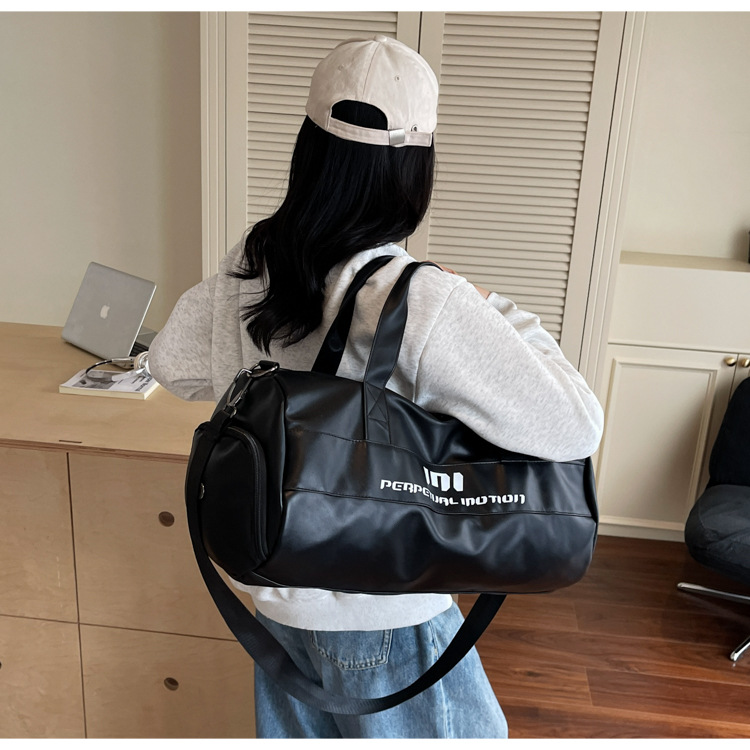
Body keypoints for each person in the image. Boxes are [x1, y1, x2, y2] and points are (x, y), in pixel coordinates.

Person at [146, 35, 603, 739]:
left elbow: (171, 364)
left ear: (309, 148)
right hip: (384, 615)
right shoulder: (419, 298)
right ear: (415, 169)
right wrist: (496, 308)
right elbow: (574, 424)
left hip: (277, 594)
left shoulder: (258, 258)